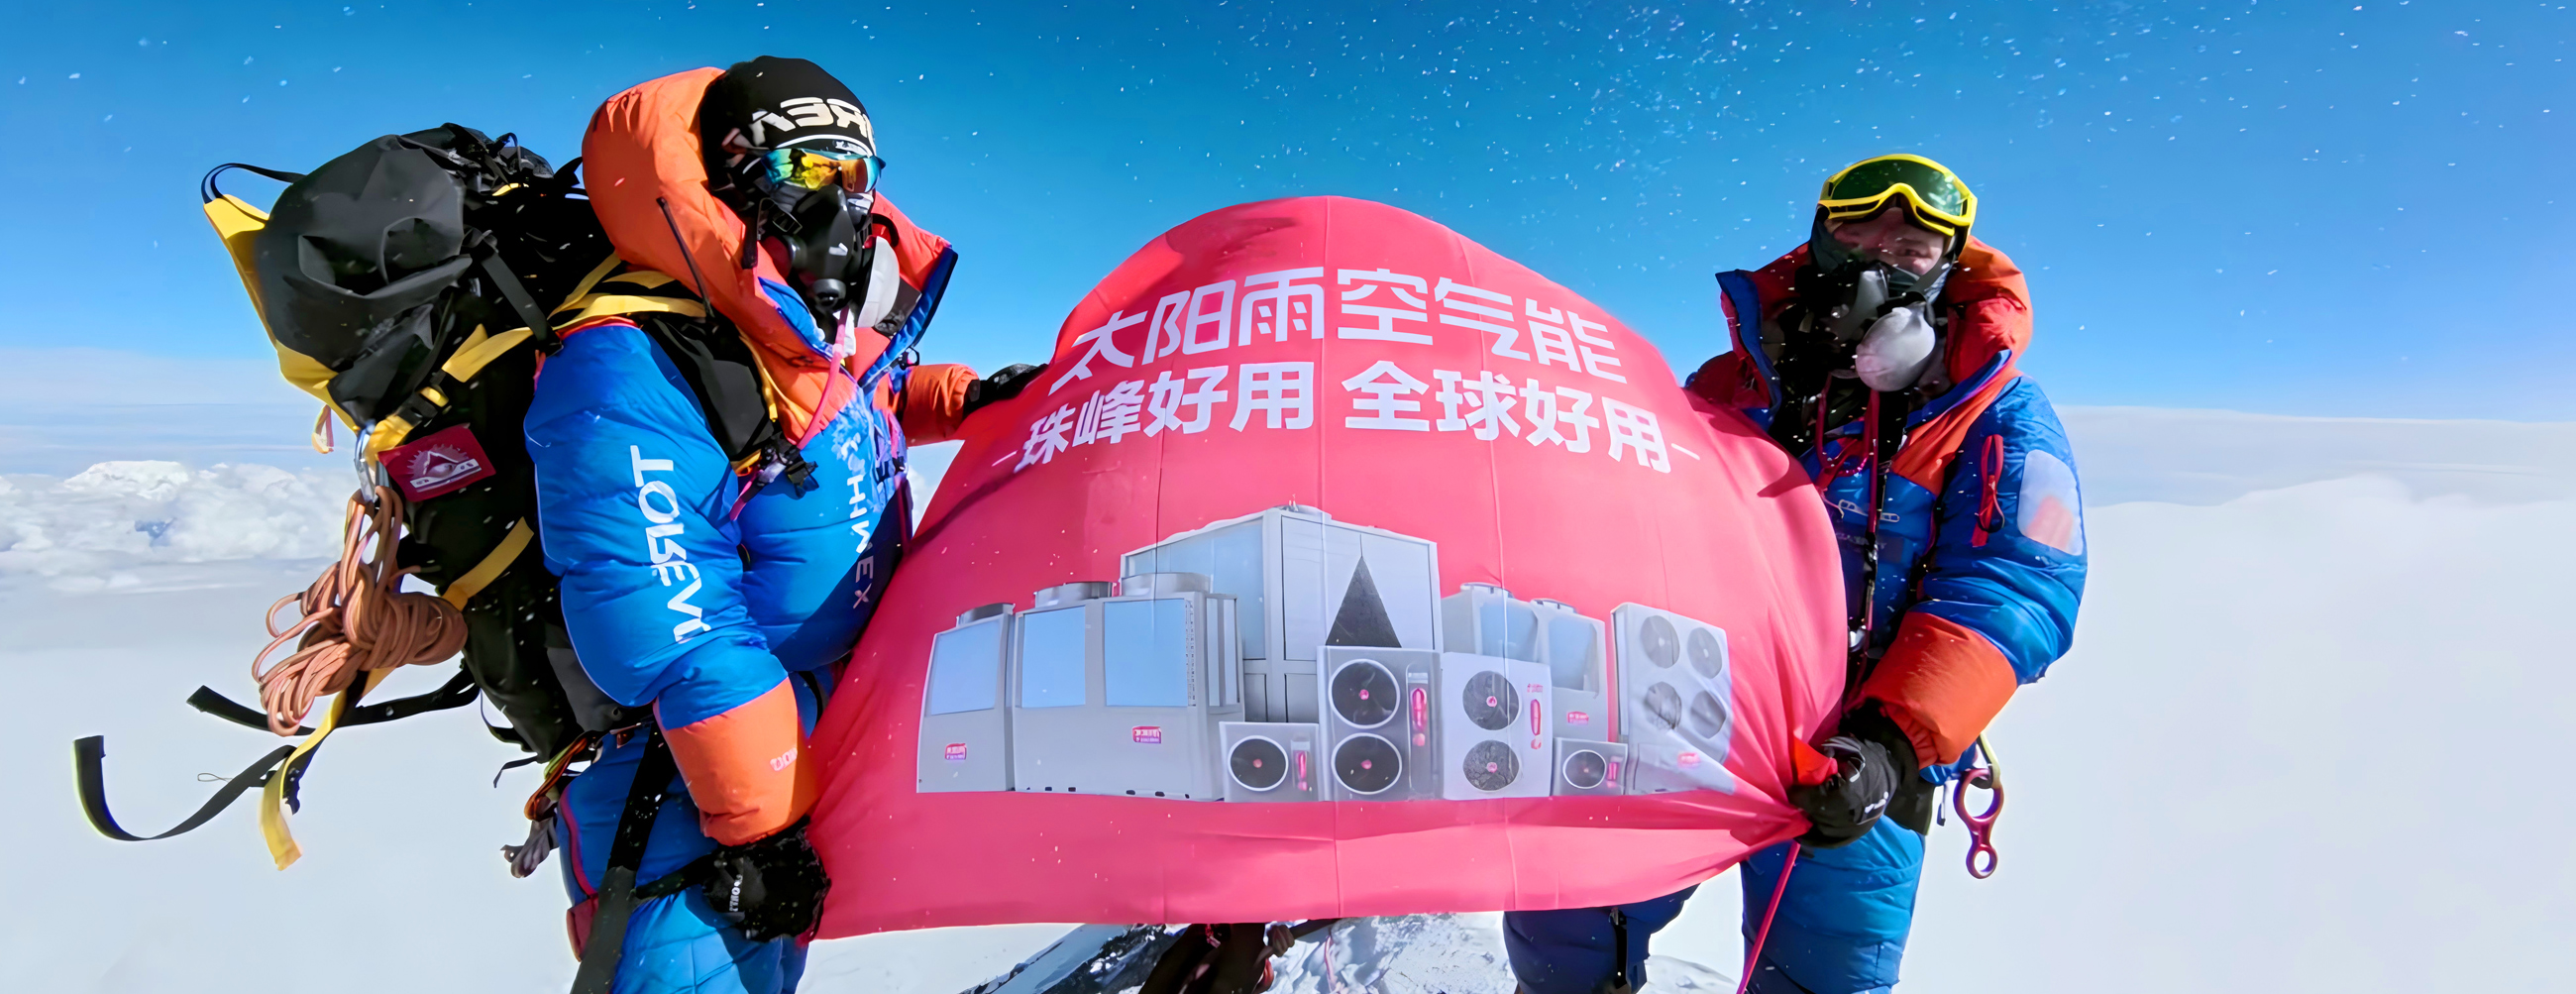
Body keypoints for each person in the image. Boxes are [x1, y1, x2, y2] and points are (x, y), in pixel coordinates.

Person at [1502, 154, 2088, 994]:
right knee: (1567, 921)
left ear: (1947, 266)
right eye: (1862, 232)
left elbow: (2018, 585)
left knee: (1819, 977)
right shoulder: (1727, 385)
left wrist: (1892, 742)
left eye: (1914, 245)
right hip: (1683, 713)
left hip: (1860, 759)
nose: (1883, 258)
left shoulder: (1990, 407)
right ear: (1820, 239)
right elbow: (1635, 526)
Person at [528, 56, 1039, 993]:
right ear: (731, 176)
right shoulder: (629, 359)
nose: (842, 202)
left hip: (790, 740)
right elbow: (670, 619)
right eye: (808, 168)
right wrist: (760, 824)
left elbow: (860, 397)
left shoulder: (797, 326)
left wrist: (968, 398)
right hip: (686, 778)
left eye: (856, 173)